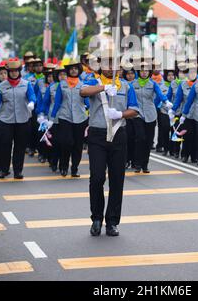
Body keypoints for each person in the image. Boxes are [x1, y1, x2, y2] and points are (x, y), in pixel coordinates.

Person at [80, 49, 139, 237]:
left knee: (117, 180)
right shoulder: (93, 81)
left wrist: (121, 114)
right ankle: (96, 218)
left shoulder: (126, 86)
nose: (111, 67)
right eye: (107, 63)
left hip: (118, 134)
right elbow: (82, 91)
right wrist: (103, 88)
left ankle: (112, 222)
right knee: (97, 178)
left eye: (114, 64)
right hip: (97, 135)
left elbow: (135, 109)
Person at [0, 60, 36, 179]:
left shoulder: (26, 84)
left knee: (20, 146)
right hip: (6, 119)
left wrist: (32, 102)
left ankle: (18, 171)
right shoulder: (2, 86)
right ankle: (4, 170)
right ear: (8, 73)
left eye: (16, 71)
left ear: (19, 72)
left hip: (23, 119)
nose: (13, 74)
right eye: (11, 72)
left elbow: (32, 96)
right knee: (5, 145)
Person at [50, 60, 89, 177]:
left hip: (80, 117)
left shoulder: (83, 85)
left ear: (79, 70)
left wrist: (92, 111)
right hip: (64, 116)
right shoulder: (62, 84)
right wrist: (51, 118)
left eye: (76, 68)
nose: (73, 70)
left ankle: (75, 168)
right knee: (66, 143)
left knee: (78, 145)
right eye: (71, 68)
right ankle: (63, 166)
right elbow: (57, 101)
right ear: (68, 71)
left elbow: (87, 101)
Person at [132, 62, 172, 173]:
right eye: (142, 70)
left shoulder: (153, 83)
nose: (144, 73)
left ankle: (145, 165)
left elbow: (160, 94)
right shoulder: (133, 84)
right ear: (138, 72)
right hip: (137, 114)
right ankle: (137, 164)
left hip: (151, 114)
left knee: (149, 141)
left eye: (146, 70)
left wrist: (166, 101)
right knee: (140, 138)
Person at [41, 65, 67, 172]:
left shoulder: (71, 86)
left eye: (64, 74)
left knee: (65, 143)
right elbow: (45, 103)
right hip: (54, 119)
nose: (63, 76)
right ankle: (53, 162)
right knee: (54, 142)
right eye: (60, 74)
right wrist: (43, 116)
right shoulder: (51, 87)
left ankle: (63, 166)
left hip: (67, 118)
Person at [169, 63, 197, 163]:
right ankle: (185, 154)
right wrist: (173, 110)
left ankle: (195, 156)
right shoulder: (183, 84)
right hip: (186, 114)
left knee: (197, 136)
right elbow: (178, 99)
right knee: (187, 136)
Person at [156, 69, 175, 157]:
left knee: (173, 131)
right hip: (164, 111)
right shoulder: (161, 86)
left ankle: (173, 149)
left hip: (174, 112)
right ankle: (165, 148)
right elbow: (158, 99)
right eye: (169, 75)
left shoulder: (177, 85)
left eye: (172, 75)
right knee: (165, 130)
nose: (170, 77)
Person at [122, 62, 137, 169]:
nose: (130, 75)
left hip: (136, 116)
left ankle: (134, 160)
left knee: (135, 139)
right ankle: (126, 160)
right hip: (124, 115)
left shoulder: (137, 83)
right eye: (128, 74)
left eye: (132, 73)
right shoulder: (121, 84)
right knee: (126, 139)